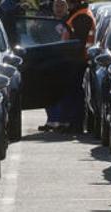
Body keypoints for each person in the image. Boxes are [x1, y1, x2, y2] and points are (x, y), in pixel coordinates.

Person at [58, 0, 95, 134]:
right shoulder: (78, 14)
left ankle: (76, 124)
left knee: (76, 93)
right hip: (76, 60)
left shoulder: (82, 16)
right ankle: (73, 122)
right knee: (74, 92)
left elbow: (78, 42)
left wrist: (70, 57)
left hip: (78, 60)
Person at [39, 0, 71, 132]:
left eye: (62, 5)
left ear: (67, 7)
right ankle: (51, 120)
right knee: (48, 92)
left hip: (65, 61)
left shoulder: (69, 21)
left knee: (63, 93)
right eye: (56, 5)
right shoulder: (47, 23)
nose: (59, 8)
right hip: (50, 61)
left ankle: (62, 120)